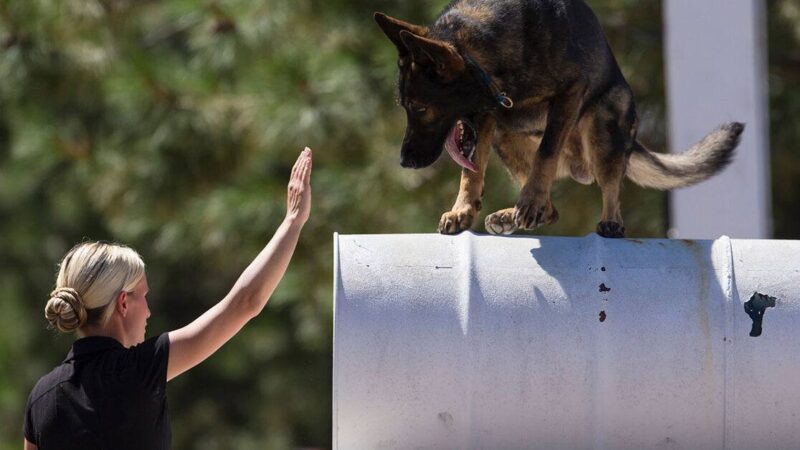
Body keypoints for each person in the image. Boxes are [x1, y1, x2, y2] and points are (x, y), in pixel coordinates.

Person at [22, 148, 313, 450]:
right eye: (144, 297)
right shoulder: (142, 370)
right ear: (123, 304)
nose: (149, 311)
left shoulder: (41, 398)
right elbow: (246, 302)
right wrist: (293, 221)